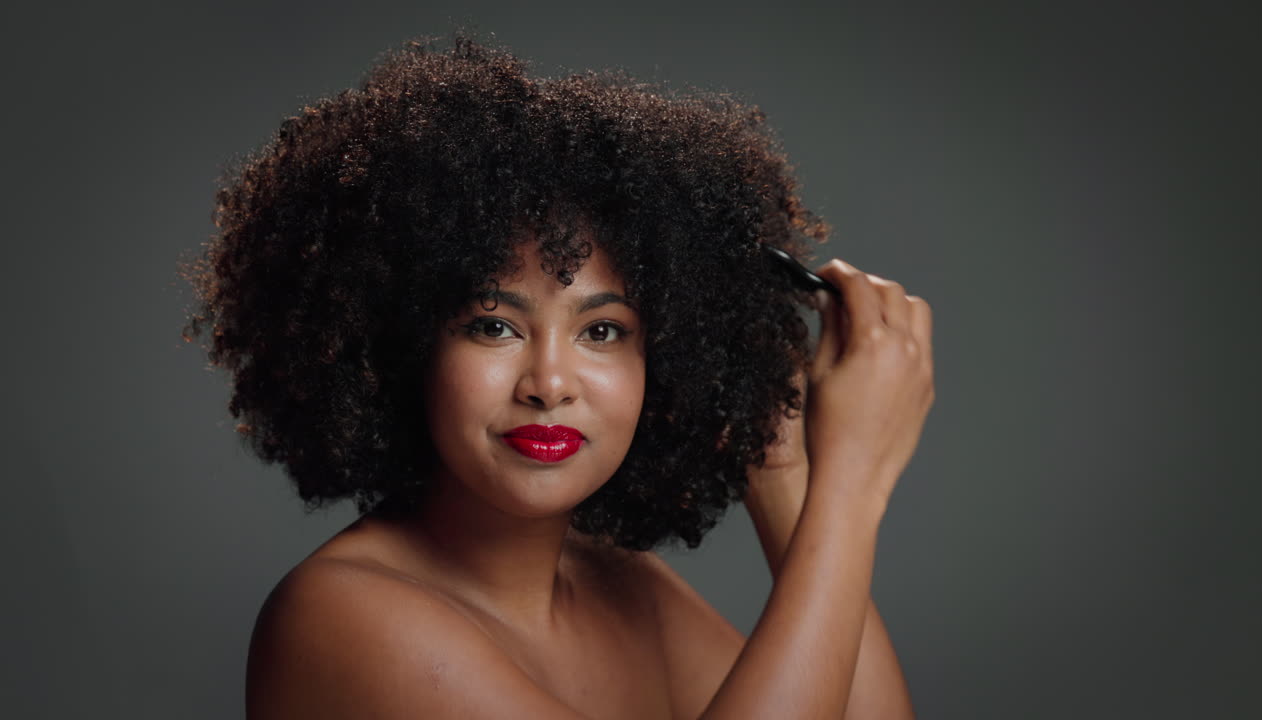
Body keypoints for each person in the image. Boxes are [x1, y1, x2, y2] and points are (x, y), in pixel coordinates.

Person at [181, 30, 933, 719]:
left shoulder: (619, 585)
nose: (548, 381)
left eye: (602, 331)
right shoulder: (343, 614)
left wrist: (784, 474)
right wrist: (853, 485)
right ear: (401, 344)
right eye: (494, 326)